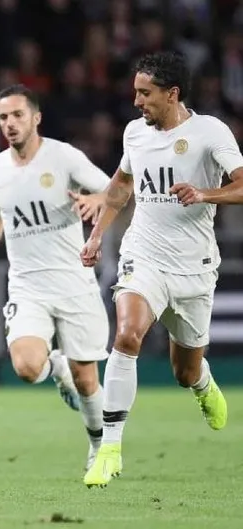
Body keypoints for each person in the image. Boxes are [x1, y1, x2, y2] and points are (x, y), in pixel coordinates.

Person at [80, 51, 243, 487]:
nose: (136, 102)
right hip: (144, 256)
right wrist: (96, 235)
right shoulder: (135, 133)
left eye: (145, 93)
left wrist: (206, 194)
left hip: (193, 266)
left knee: (184, 370)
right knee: (126, 335)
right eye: (135, 91)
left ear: (172, 94)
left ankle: (203, 384)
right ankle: (110, 450)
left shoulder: (211, 132)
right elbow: (121, 186)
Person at [0, 84, 112, 471]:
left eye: (17, 115)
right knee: (27, 367)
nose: (9, 124)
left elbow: (116, 189)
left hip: (73, 281)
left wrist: (97, 199)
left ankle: (99, 447)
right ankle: (55, 369)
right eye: (3, 117)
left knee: (86, 379)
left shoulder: (64, 157)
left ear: (36, 118)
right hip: (27, 286)